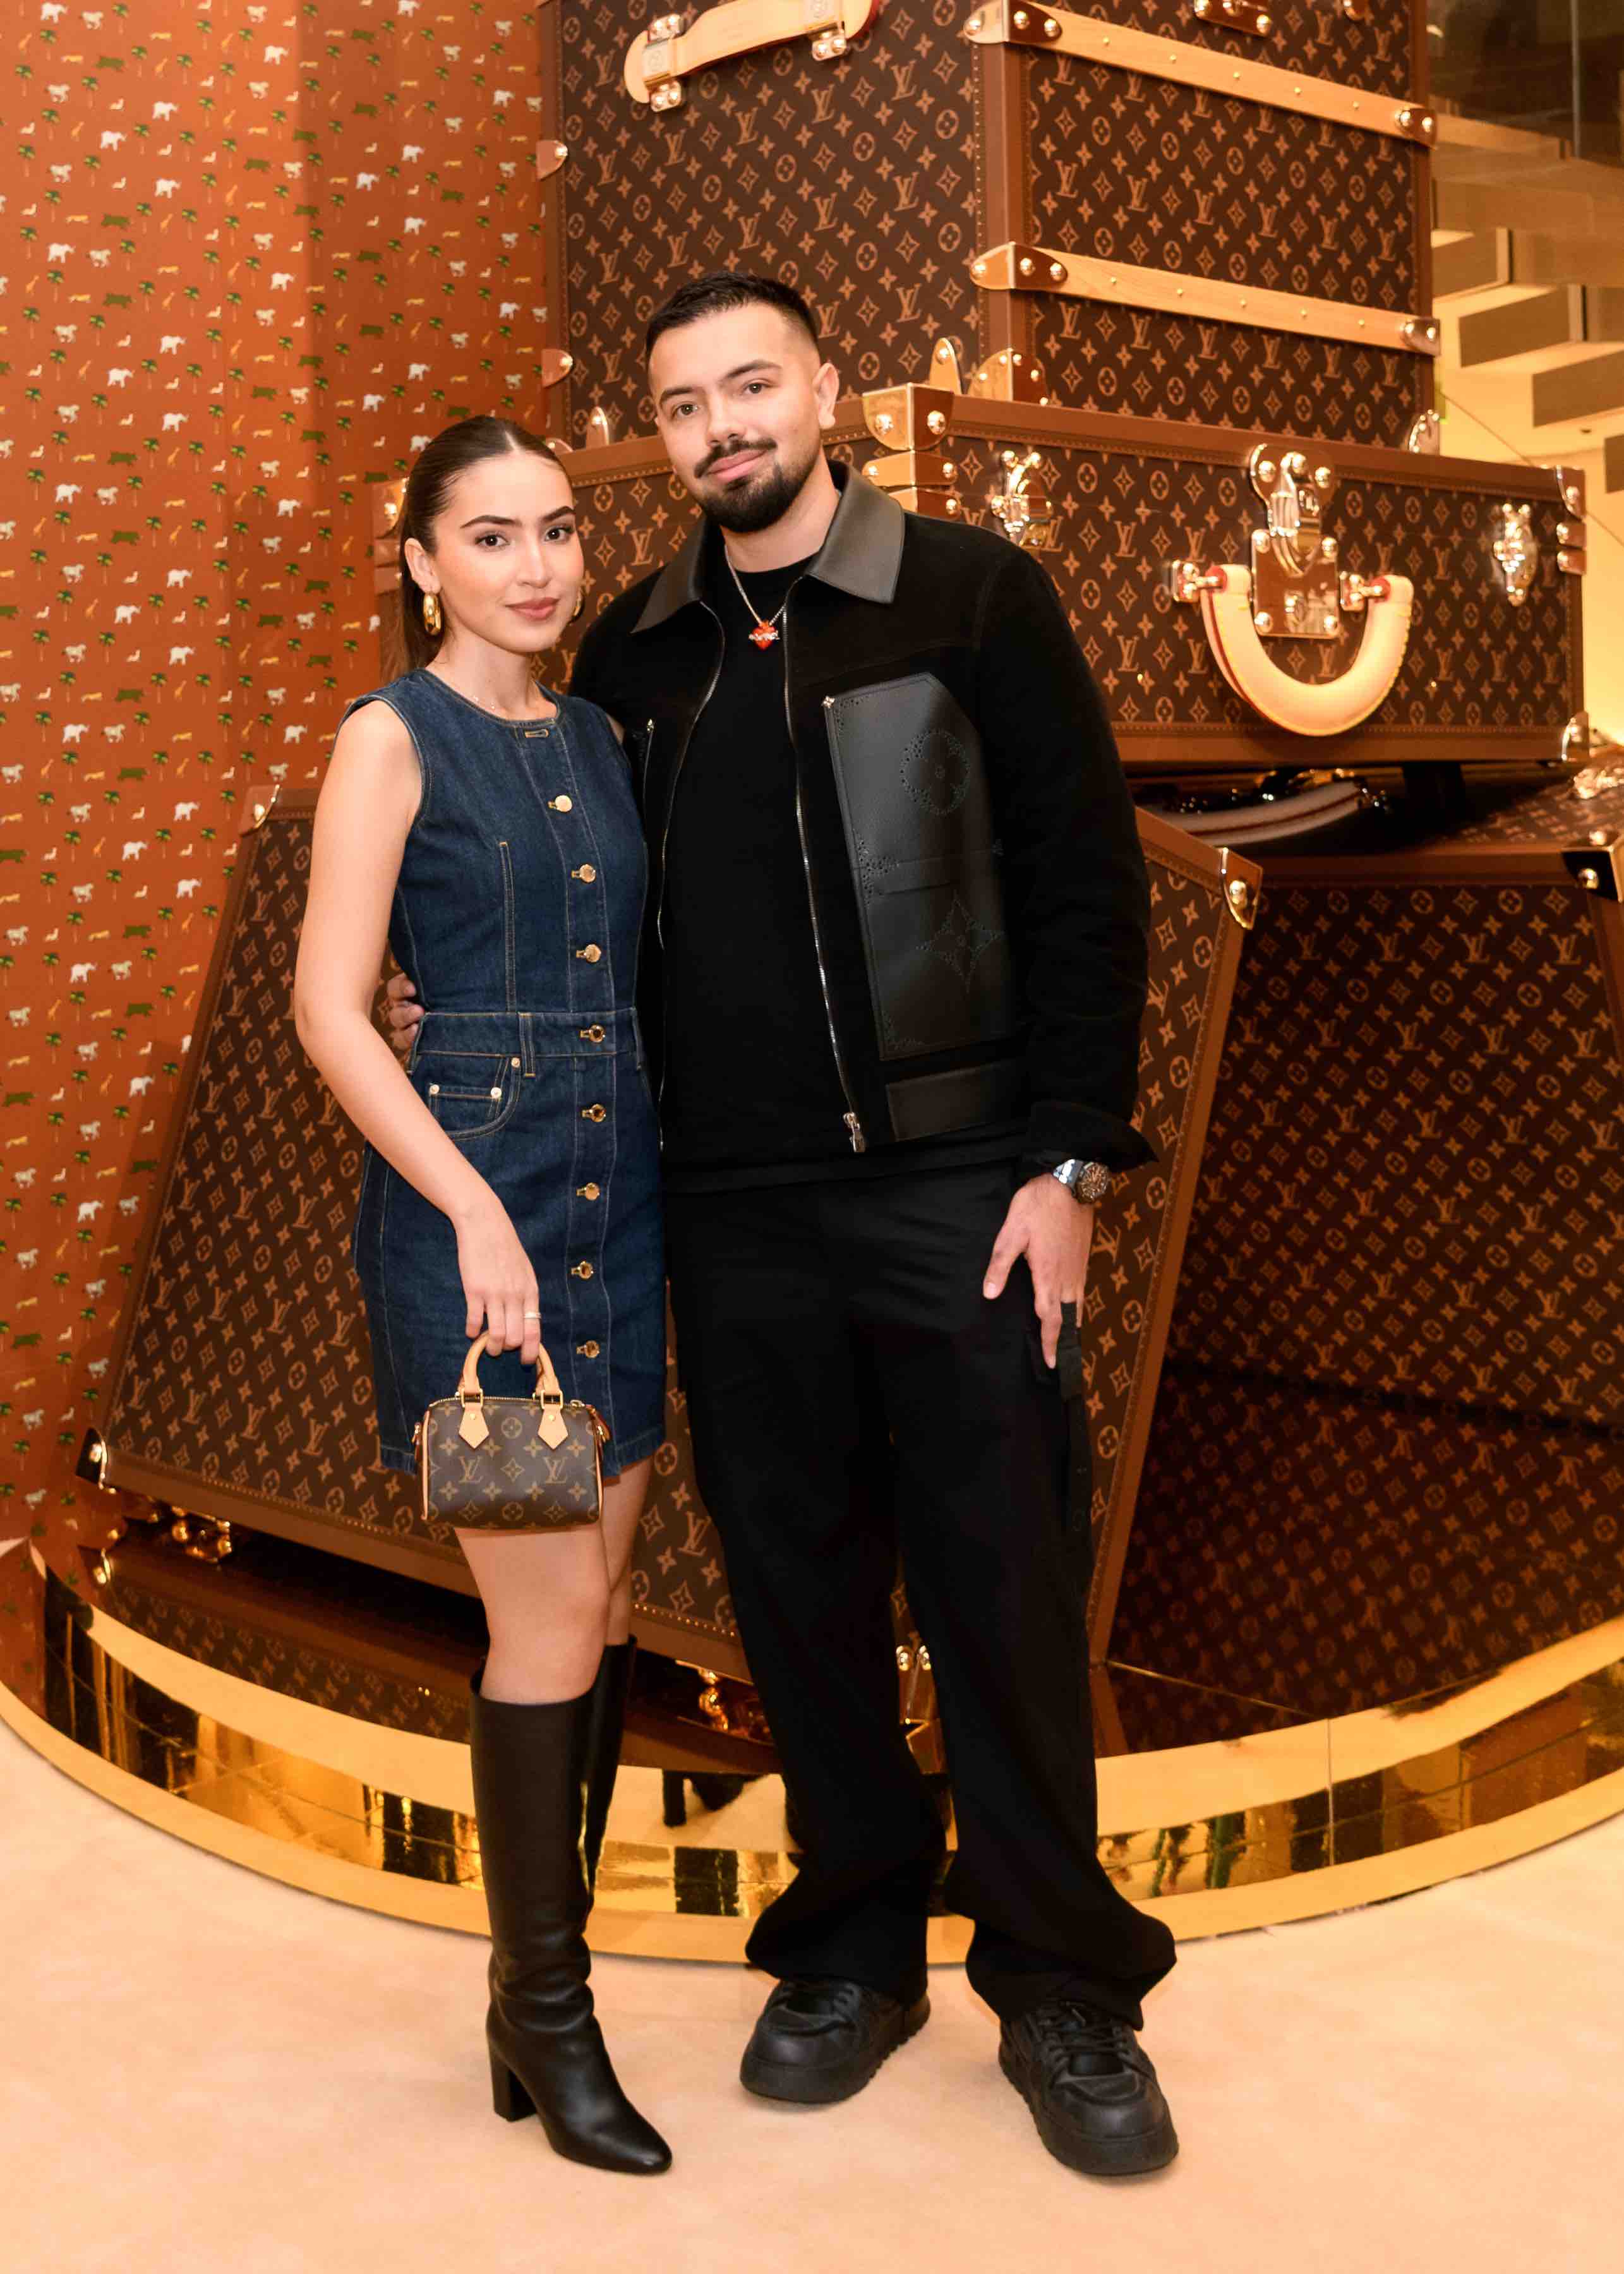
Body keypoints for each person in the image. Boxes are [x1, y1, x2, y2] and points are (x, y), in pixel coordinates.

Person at [387, 273, 1180, 2178]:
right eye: (683, 406)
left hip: (960, 1186)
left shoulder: (972, 596)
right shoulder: (634, 656)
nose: (723, 426)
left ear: (826, 390)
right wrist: (443, 1002)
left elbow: (1086, 887)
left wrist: (1068, 1169)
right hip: (728, 1206)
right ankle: (851, 1947)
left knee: (1000, 1587)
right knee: (796, 1596)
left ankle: (1061, 1986)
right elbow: (565, 903)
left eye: (752, 385)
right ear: (658, 438)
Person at [293, 415, 670, 2177]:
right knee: (546, 1615)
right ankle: (548, 2008)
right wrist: (467, 1209)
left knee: (604, 1607)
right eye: (492, 536)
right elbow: (332, 1007)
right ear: (422, 560)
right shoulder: (389, 736)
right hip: (481, 1231)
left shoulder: (597, 735)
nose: (535, 566)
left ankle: (538, 1995)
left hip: (624, 1205)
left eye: (559, 530)